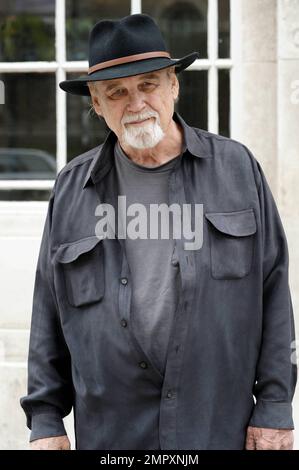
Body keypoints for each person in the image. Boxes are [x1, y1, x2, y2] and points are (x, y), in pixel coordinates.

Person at [21, 14, 297, 450]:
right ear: (96, 103)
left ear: (174, 85)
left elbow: (275, 291)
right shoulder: (72, 190)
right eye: (117, 92)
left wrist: (276, 407)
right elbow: (48, 311)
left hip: (217, 427)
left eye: (148, 84)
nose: (135, 104)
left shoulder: (236, 169)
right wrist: (46, 419)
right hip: (113, 436)